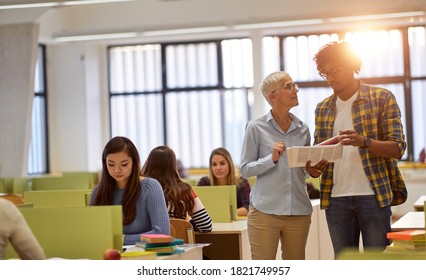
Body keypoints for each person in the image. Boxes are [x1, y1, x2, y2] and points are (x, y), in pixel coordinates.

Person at [311, 40, 407, 257]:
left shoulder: (381, 98)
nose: (331, 78)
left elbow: (398, 147)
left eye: (335, 71)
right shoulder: (322, 108)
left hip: (372, 195)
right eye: (326, 74)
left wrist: (364, 142)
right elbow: (321, 153)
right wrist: (313, 168)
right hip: (335, 199)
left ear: (351, 65)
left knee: (377, 264)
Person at [239, 71, 322, 260]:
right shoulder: (255, 127)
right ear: (273, 96)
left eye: (295, 85)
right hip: (265, 212)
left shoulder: (303, 129)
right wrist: (272, 159)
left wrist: (310, 170)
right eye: (289, 86)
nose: (295, 90)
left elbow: (300, 170)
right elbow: (245, 169)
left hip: (299, 211)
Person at [89, 136, 170, 246]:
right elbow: (93, 234)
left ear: (134, 162)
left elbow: (162, 234)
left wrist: (121, 240)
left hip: (144, 256)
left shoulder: (150, 187)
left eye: (124, 164)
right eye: (111, 164)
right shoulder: (98, 192)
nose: (117, 170)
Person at [141, 145, 213, 232]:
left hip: (147, 244)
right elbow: (206, 226)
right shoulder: (185, 191)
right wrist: (187, 223)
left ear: (148, 164)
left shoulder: (140, 189)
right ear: (173, 166)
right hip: (180, 244)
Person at [197, 147, 251, 216]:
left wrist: (224, 214)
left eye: (222, 163)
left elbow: (248, 207)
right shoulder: (204, 182)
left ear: (229, 165)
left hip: (236, 224)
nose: (218, 168)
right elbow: (195, 207)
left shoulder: (242, 182)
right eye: (214, 164)